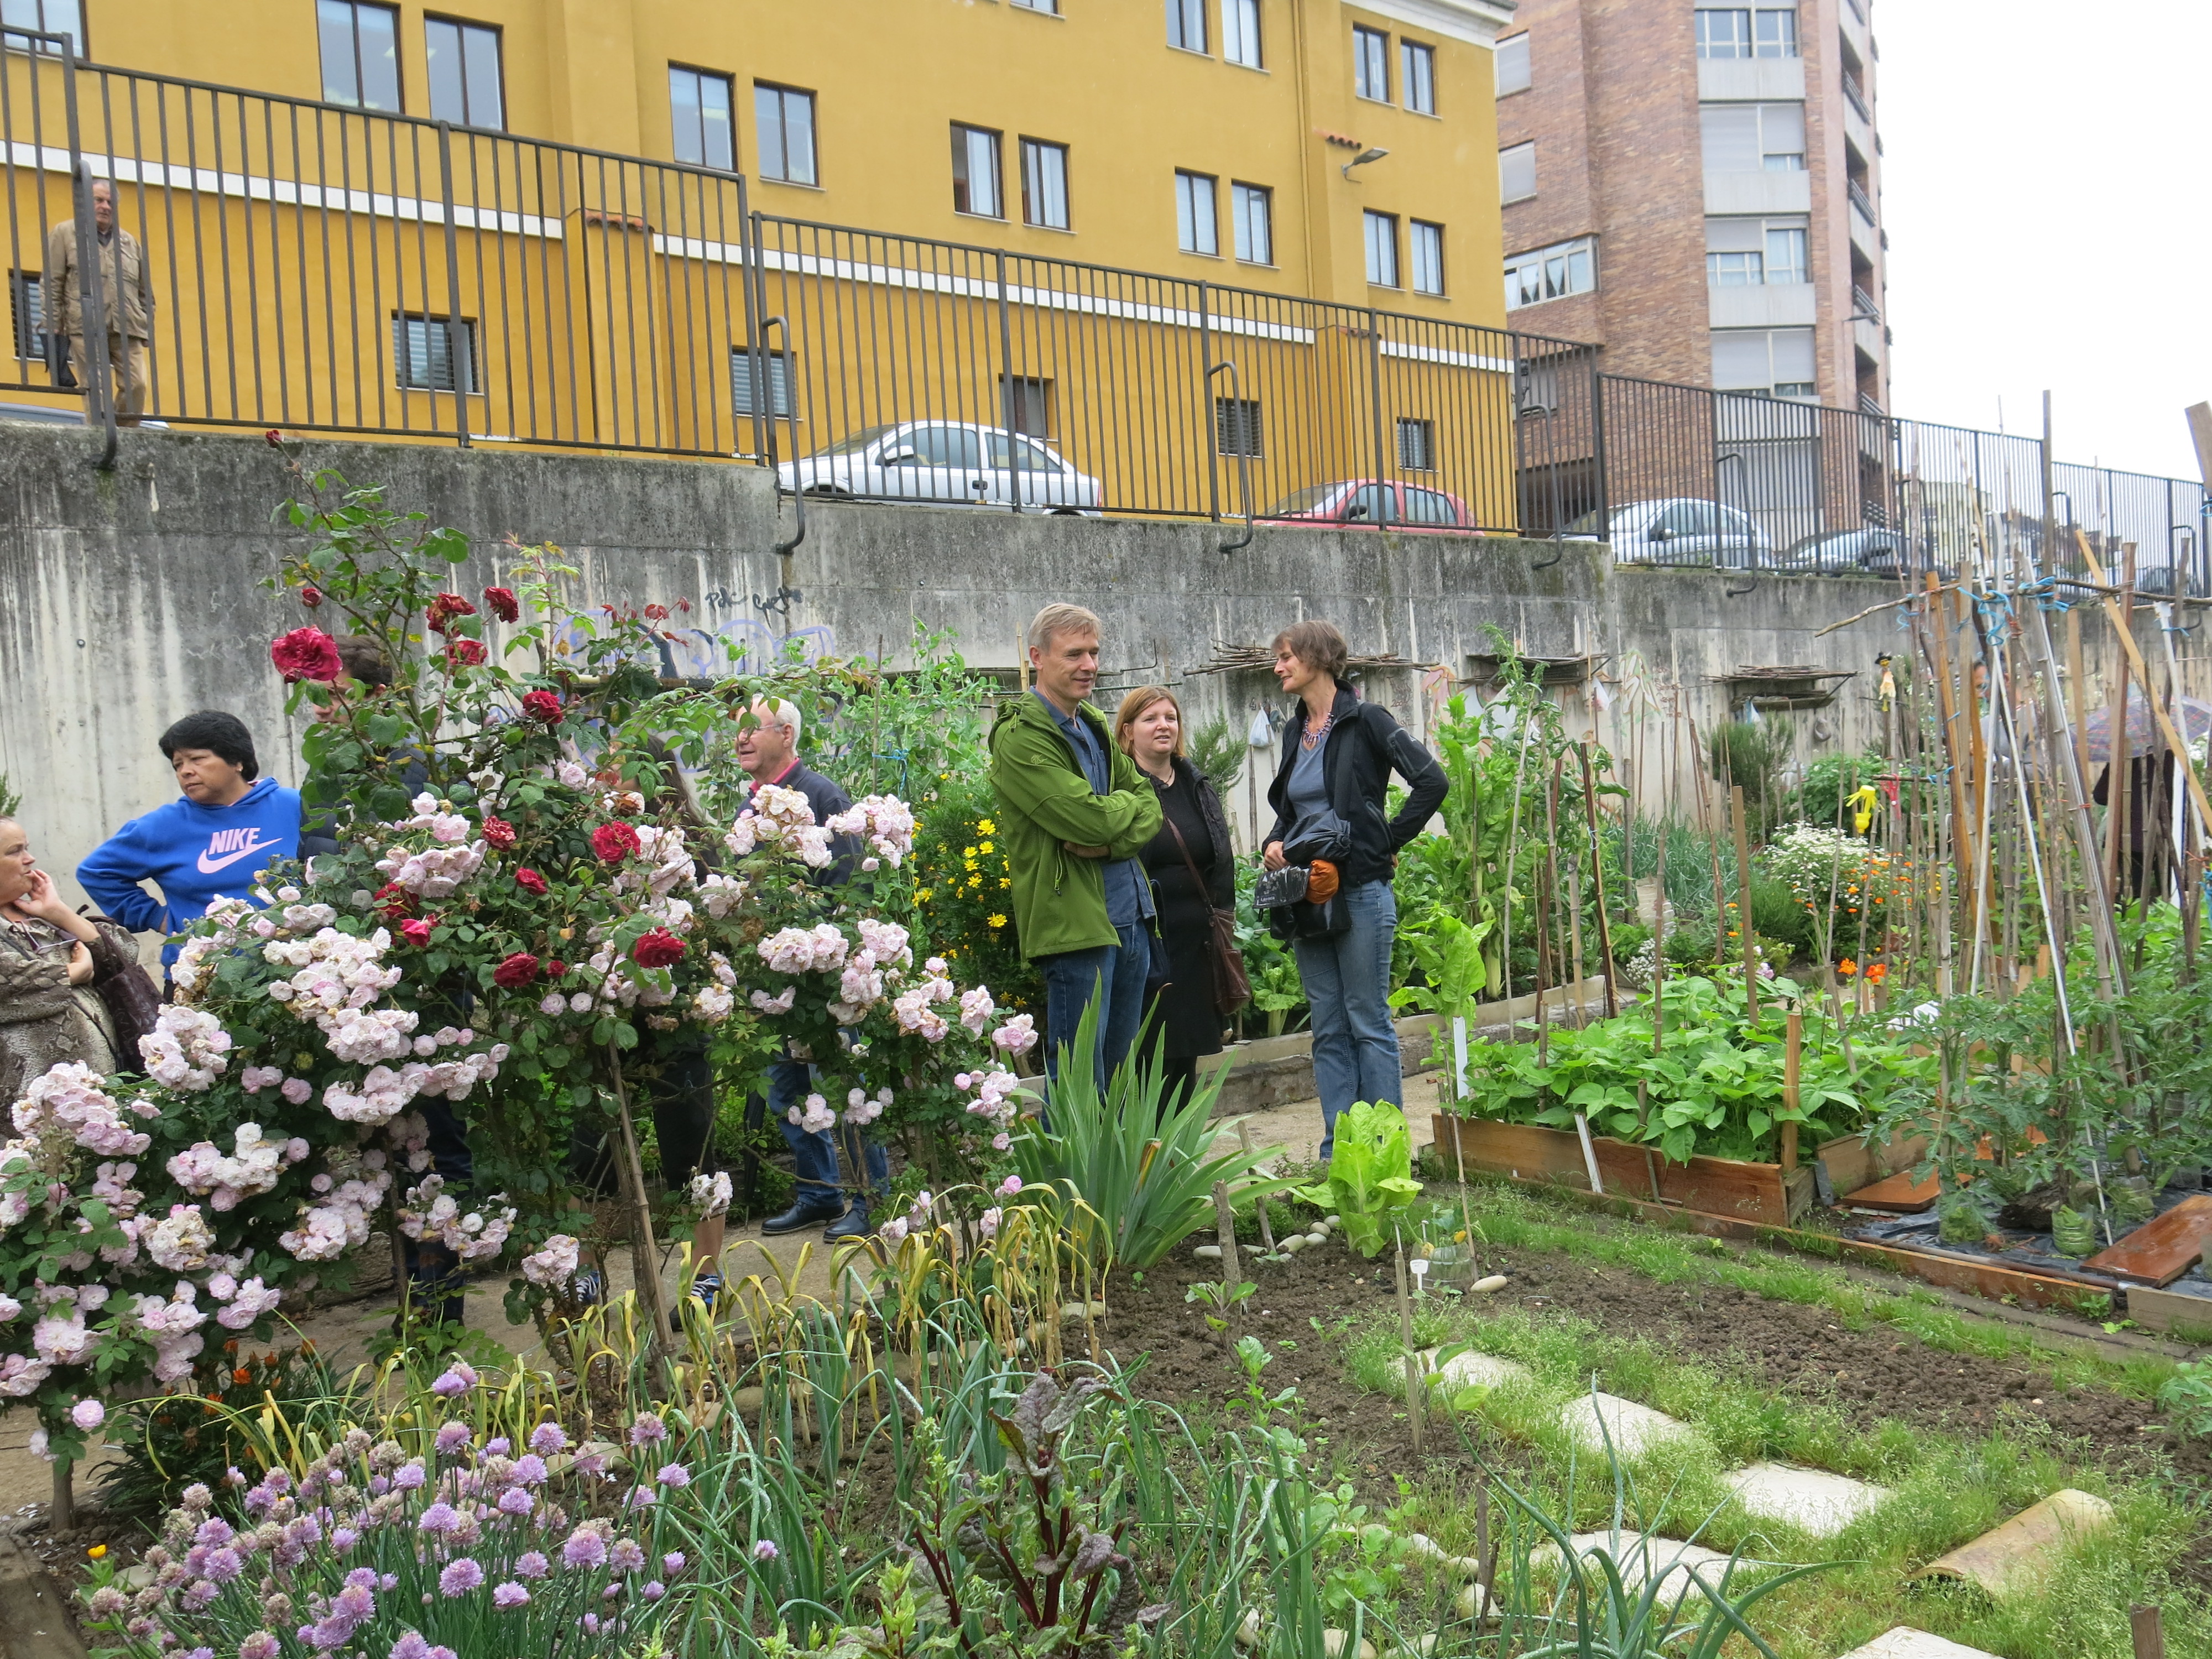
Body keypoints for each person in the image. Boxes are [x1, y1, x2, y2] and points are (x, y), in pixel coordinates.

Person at [1262, 620, 1447, 1161]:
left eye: (1285, 657)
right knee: (1327, 1027)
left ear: (1318, 658)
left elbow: (1431, 780)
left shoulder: (1367, 720)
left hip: (1361, 889)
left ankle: (1385, 1148)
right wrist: (1276, 842)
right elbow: (1292, 809)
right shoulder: (1296, 730)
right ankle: (1338, 1151)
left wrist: (1384, 840)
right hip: (1306, 892)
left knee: (1367, 1021)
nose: (1278, 668)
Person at [989, 604, 1163, 1093]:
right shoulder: (1021, 737)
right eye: (1074, 654)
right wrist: (1116, 819)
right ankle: (1072, 1173)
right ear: (1037, 658)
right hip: (1075, 928)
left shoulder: (1091, 723)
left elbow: (1151, 804)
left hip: (1130, 918)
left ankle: (1114, 1175)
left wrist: (1111, 845)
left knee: (1117, 1080)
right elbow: (1086, 820)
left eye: (1094, 652)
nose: (1089, 665)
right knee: (1079, 1087)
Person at [734, 697, 889, 1245]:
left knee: (844, 1089)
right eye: (738, 730)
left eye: (752, 728)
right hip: (772, 984)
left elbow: (852, 890)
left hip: (823, 980)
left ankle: (872, 1201)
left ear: (787, 734)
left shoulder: (822, 797)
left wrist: (815, 948)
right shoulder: (750, 807)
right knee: (785, 1092)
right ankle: (818, 1194)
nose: (741, 738)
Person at [78, 712, 303, 972]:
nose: (186, 771)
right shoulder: (162, 827)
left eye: (197, 759)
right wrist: (158, 918)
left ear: (237, 761)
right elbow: (96, 872)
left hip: (293, 976)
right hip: (200, 983)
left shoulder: (297, 807)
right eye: (178, 765)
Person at [1115, 686, 1235, 1113]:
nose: (1164, 725)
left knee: (1184, 1055)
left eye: (1171, 717)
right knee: (1147, 1056)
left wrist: (1223, 918)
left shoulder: (1194, 783)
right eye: (1151, 719)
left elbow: (1219, 857)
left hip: (1196, 946)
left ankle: (1176, 1162)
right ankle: (1144, 1160)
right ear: (1128, 732)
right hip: (1148, 945)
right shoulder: (1121, 788)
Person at [0, 815, 141, 1101]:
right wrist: (75, 973)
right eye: (15, 852)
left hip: (103, 1091)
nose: (30, 859)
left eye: (26, 848)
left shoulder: (40, 916)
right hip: (27, 1107)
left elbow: (123, 959)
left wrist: (59, 912)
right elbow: (9, 985)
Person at [43, 178, 155, 426]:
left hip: (128, 326)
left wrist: (147, 326)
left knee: (137, 385)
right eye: (99, 200)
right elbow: (52, 282)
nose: (105, 206)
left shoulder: (129, 241)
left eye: (110, 202)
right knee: (96, 386)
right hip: (85, 325)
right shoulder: (64, 233)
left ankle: (122, 436)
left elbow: (145, 290)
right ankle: (100, 437)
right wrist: (53, 323)